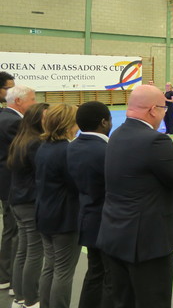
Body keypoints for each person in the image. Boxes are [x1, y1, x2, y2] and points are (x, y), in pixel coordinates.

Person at [96, 85, 173, 308]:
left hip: (115, 234)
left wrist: (169, 155)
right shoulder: (155, 141)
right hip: (147, 243)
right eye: (163, 108)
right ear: (153, 110)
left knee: (122, 300)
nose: (164, 113)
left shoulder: (117, 135)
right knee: (153, 301)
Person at [66, 101, 113, 308]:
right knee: (109, 277)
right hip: (107, 222)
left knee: (95, 273)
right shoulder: (107, 151)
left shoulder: (72, 147)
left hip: (87, 218)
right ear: (104, 122)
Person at [34, 103, 80, 308]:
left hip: (45, 214)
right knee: (63, 271)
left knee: (50, 267)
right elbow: (76, 184)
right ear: (69, 124)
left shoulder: (44, 147)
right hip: (64, 218)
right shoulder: (67, 151)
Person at [7, 102, 48, 308]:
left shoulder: (21, 139)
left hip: (18, 201)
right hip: (29, 203)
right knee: (33, 252)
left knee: (23, 250)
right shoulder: (36, 143)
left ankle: (20, 296)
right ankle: (31, 299)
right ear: (38, 120)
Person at [0, 84, 35, 293]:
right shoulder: (13, 122)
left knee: (12, 230)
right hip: (13, 184)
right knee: (15, 232)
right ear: (19, 101)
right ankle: (12, 278)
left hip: (8, 182)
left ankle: (8, 276)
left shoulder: (5, 117)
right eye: (32, 99)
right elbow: (24, 152)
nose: (35, 103)